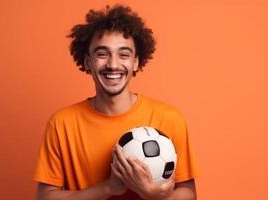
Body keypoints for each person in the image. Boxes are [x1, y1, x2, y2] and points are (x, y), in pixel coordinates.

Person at [34, 5, 199, 200]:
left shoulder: (169, 118)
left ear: (136, 62)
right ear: (88, 61)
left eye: (124, 54)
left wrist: (153, 195)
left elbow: (189, 194)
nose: (113, 64)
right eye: (102, 54)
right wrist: (109, 188)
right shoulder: (62, 124)